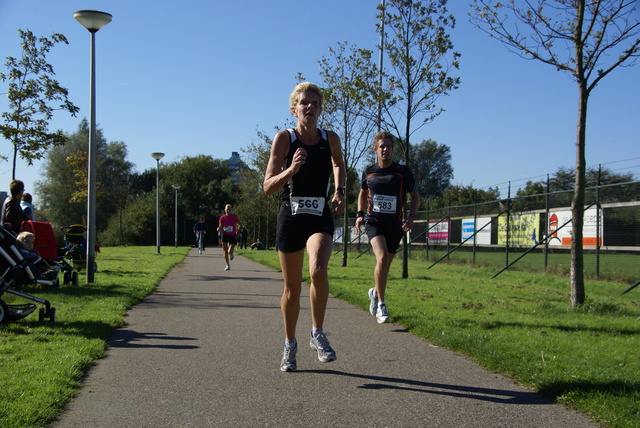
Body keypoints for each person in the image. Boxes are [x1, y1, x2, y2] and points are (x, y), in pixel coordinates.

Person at [263, 82, 345, 372]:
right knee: (292, 290)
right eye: (304, 103)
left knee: (319, 270)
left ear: (320, 108)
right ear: (293, 109)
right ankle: (289, 344)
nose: (309, 107)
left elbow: (339, 164)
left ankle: (317, 333)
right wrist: (291, 169)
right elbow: (267, 187)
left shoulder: (330, 139)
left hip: (319, 216)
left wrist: (338, 191)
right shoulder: (284, 139)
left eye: (315, 103)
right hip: (291, 217)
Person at [354, 131, 420, 324]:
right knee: (381, 258)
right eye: (382, 147)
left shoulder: (402, 172)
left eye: (388, 147)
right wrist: (359, 215)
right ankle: (382, 304)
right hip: (374, 222)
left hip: (394, 224)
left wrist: (411, 217)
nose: (385, 150)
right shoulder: (368, 170)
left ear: (393, 149)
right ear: (376, 150)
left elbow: (415, 196)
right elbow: (362, 193)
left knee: (385, 266)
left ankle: (375, 292)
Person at [217, 204, 242, 270]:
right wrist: (218, 228)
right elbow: (221, 225)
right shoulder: (222, 217)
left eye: (229, 209)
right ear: (224, 210)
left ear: (231, 210)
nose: (228, 210)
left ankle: (231, 254)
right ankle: (227, 265)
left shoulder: (234, 217)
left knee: (229, 251)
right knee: (225, 250)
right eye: (227, 209)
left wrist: (238, 233)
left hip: (232, 235)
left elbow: (240, 225)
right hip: (225, 234)